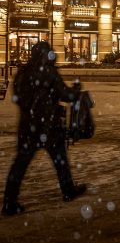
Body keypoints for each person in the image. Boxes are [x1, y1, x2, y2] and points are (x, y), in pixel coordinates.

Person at [3, 41, 88, 216]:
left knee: (20, 165)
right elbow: (65, 95)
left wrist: (30, 110)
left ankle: (9, 202)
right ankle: (68, 189)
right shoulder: (49, 72)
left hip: (28, 125)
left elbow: (17, 96)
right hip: (49, 125)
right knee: (60, 159)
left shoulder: (23, 73)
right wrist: (76, 90)